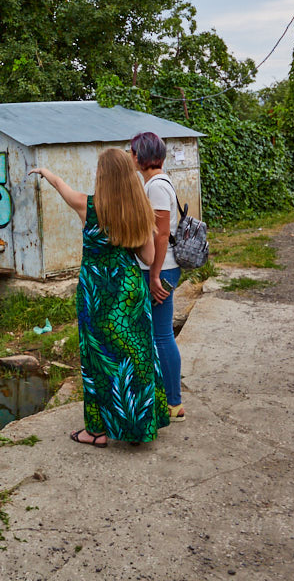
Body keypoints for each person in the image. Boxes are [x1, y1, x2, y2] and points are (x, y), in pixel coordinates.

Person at [30, 149, 169, 447]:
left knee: (98, 359)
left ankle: (97, 432)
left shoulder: (86, 205)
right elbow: (147, 256)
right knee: (138, 354)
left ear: (102, 175)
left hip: (97, 293)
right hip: (129, 289)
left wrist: (46, 173)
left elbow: (60, 186)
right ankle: (139, 426)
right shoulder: (140, 208)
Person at [129, 131, 185, 422]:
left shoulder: (156, 187)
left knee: (162, 336)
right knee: (158, 335)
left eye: (132, 152)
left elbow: (162, 235)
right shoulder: (154, 184)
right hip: (162, 268)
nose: (131, 157)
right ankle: (166, 398)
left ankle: (174, 403)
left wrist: (153, 275)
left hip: (162, 269)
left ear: (142, 155)